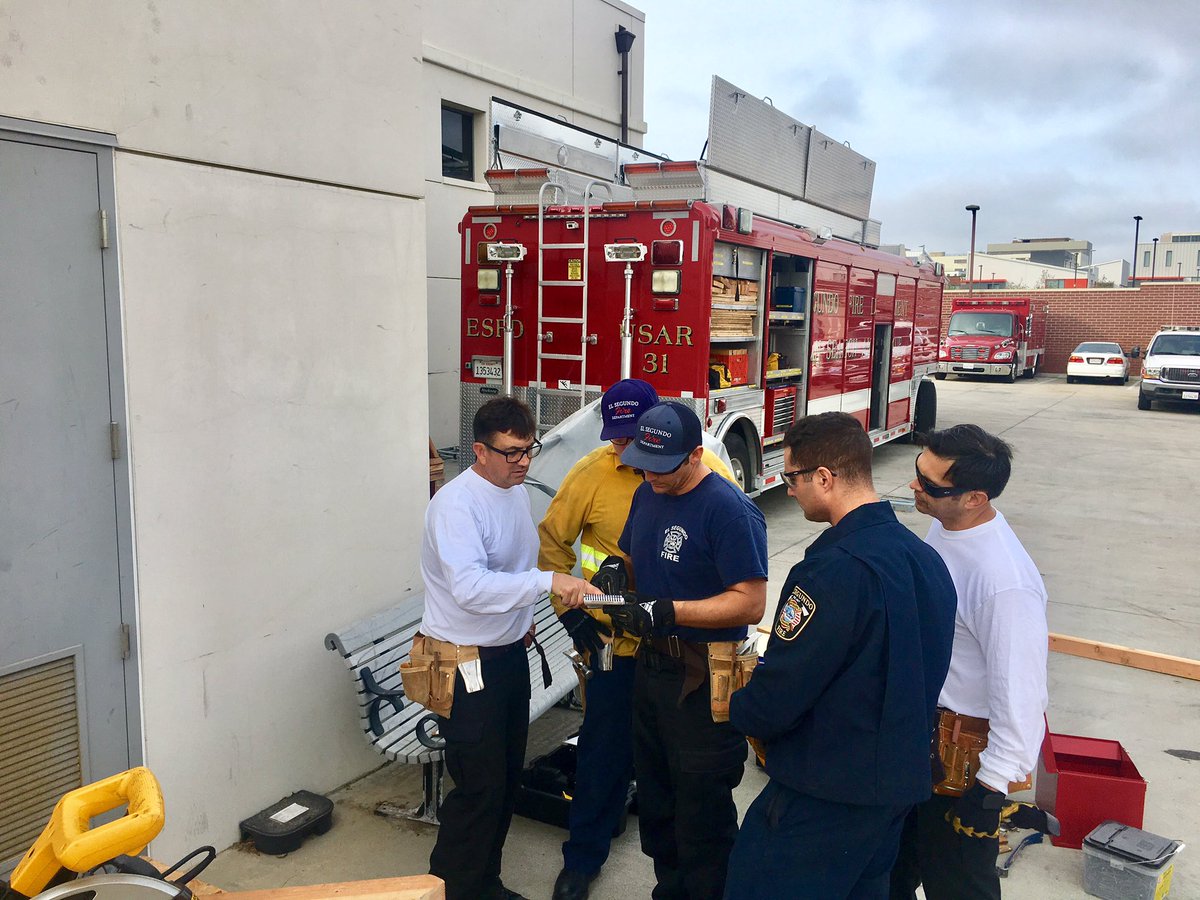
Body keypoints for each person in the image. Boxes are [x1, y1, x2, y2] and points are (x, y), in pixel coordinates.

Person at [724, 412, 957, 900]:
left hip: (825, 793)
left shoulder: (828, 573)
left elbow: (782, 691)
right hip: (897, 786)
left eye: (791, 477)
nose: (788, 490)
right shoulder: (927, 560)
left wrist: (739, 711)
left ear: (824, 478)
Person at [561, 400, 769, 900]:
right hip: (650, 674)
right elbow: (633, 554)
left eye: (662, 467)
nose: (649, 476)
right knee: (658, 803)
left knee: (701, 812)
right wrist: (617, 570)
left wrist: (670, 611)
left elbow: (752, 602)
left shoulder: (726, 510)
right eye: (644, 464)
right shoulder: (648, 492)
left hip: (701, 681)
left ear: (695, 455)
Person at [419, 396, 600, 900]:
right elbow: (471, 588)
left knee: (502, 781)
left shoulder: (514, 493)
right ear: (479, 450)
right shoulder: (455, 505)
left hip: (505, 656)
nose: (523, 462)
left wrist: (522, 622)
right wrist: (548, 584)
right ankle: (450, 889)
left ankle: (483, 883)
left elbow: (512, 573)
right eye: (511, 452)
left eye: (529, 450)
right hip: (463, 662)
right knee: (477, 788)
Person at [889, 424, 1049, 900]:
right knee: (891, 870)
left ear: (975, 497)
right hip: (921, 741)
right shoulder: (945, 522)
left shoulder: (1004, 582)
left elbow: (1021, 691)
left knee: (958, 885)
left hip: (962, 762)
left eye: (932, 485)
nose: (915, 486)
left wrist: (991, 786)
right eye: (919, 471)